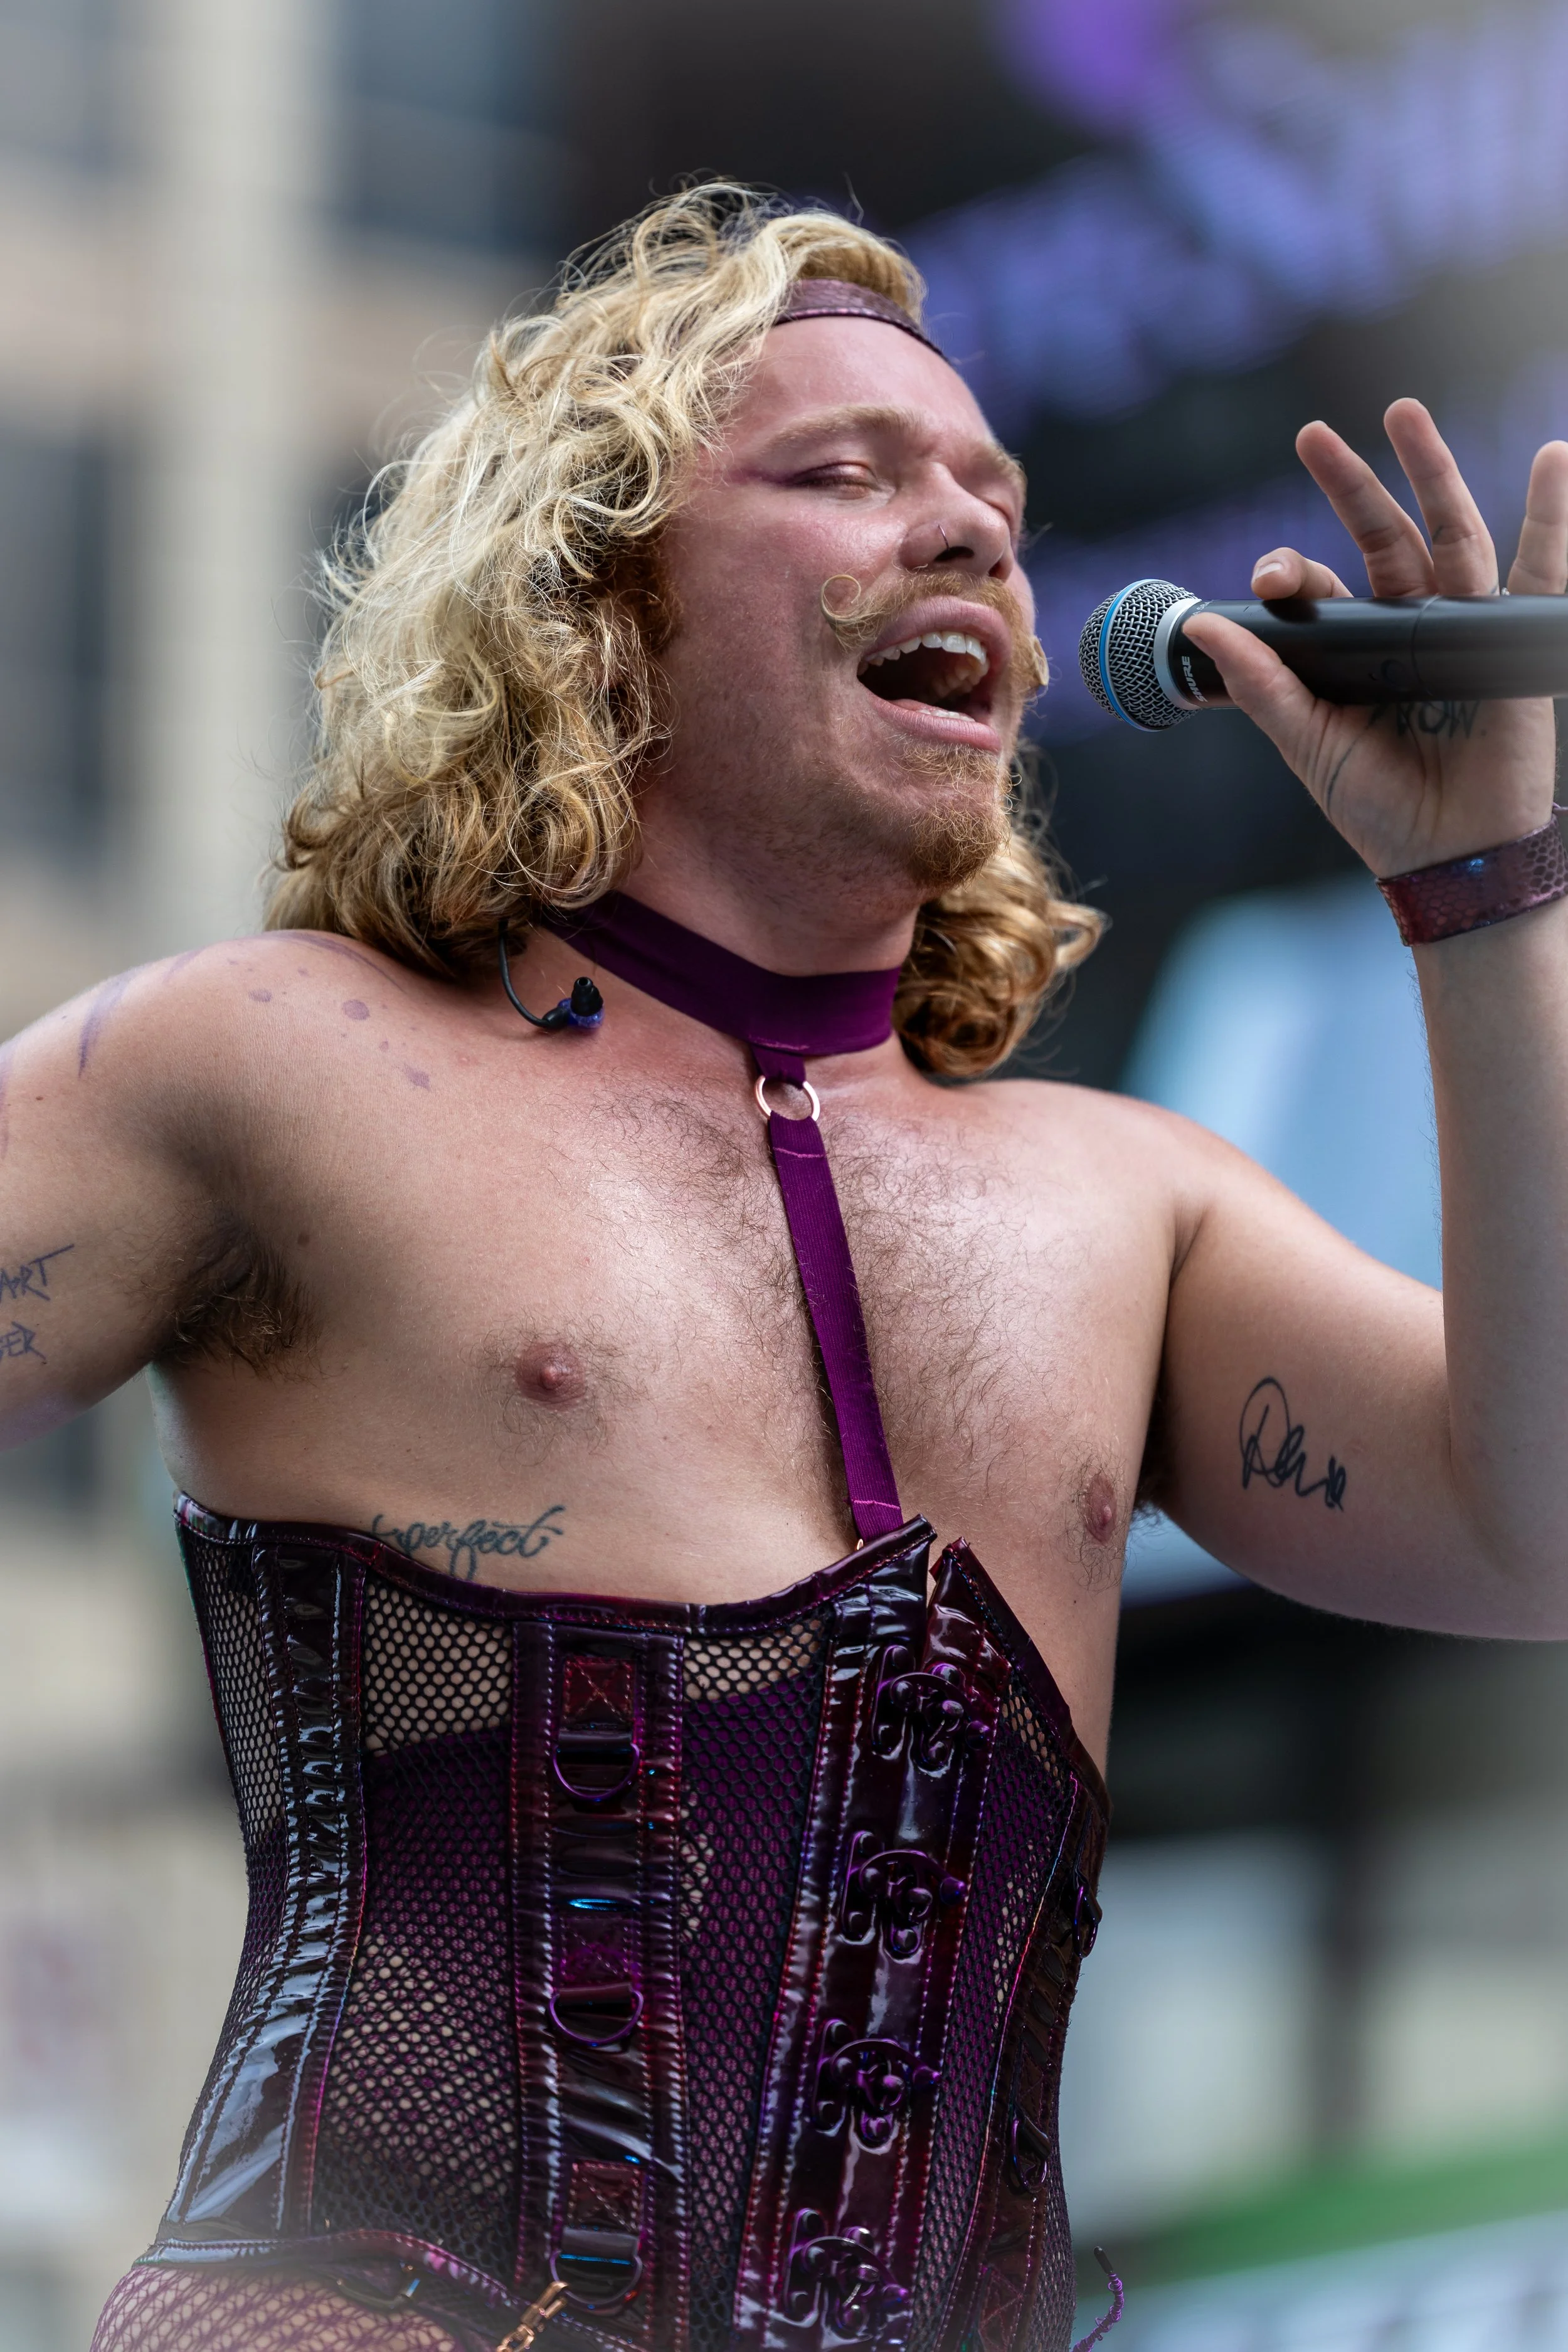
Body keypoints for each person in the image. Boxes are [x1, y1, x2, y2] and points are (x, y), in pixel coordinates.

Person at [57, 181, 1568, 2351]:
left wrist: (1485, 898)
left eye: (991, 493)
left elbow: (1530, 1532)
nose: (961, 529)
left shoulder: (1124, 1204)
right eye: (843, 474)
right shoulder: (273, 1064)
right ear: (595, 598)